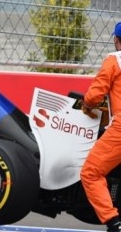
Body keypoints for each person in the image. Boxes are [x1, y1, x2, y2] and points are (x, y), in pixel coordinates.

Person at [80, 21, 121, 232]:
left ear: (116, 40)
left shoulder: (115, 60)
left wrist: (86, 105)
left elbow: (95, 95)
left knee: (90, 173)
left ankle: (114, 223)